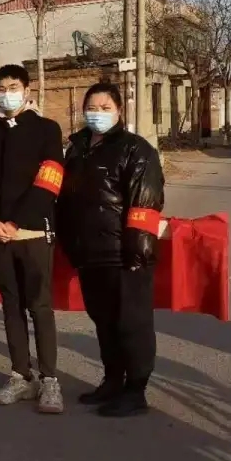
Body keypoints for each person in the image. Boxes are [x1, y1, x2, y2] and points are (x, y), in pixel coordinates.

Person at [55, 82, 165, 418]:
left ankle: (136, 390)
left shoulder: (136, 149)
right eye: (92, 108)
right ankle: (113, 380)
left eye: (105, 108)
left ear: (119, 111)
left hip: (124, 253)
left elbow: (146, 201)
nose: (97, 114)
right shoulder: (76, 149)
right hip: (89, 253)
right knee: (104, 322)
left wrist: (138, 251)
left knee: (132, 323)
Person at [0, 64, 65, 413]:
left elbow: (50, 180)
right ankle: (21, 376)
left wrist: (15, 221)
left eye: (13, 86)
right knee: (11, 304)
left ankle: (50, 380)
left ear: (27, 90)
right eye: (1, 87)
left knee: (39, 305)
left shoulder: (47, 129)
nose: (6, 93)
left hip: (33, 231)